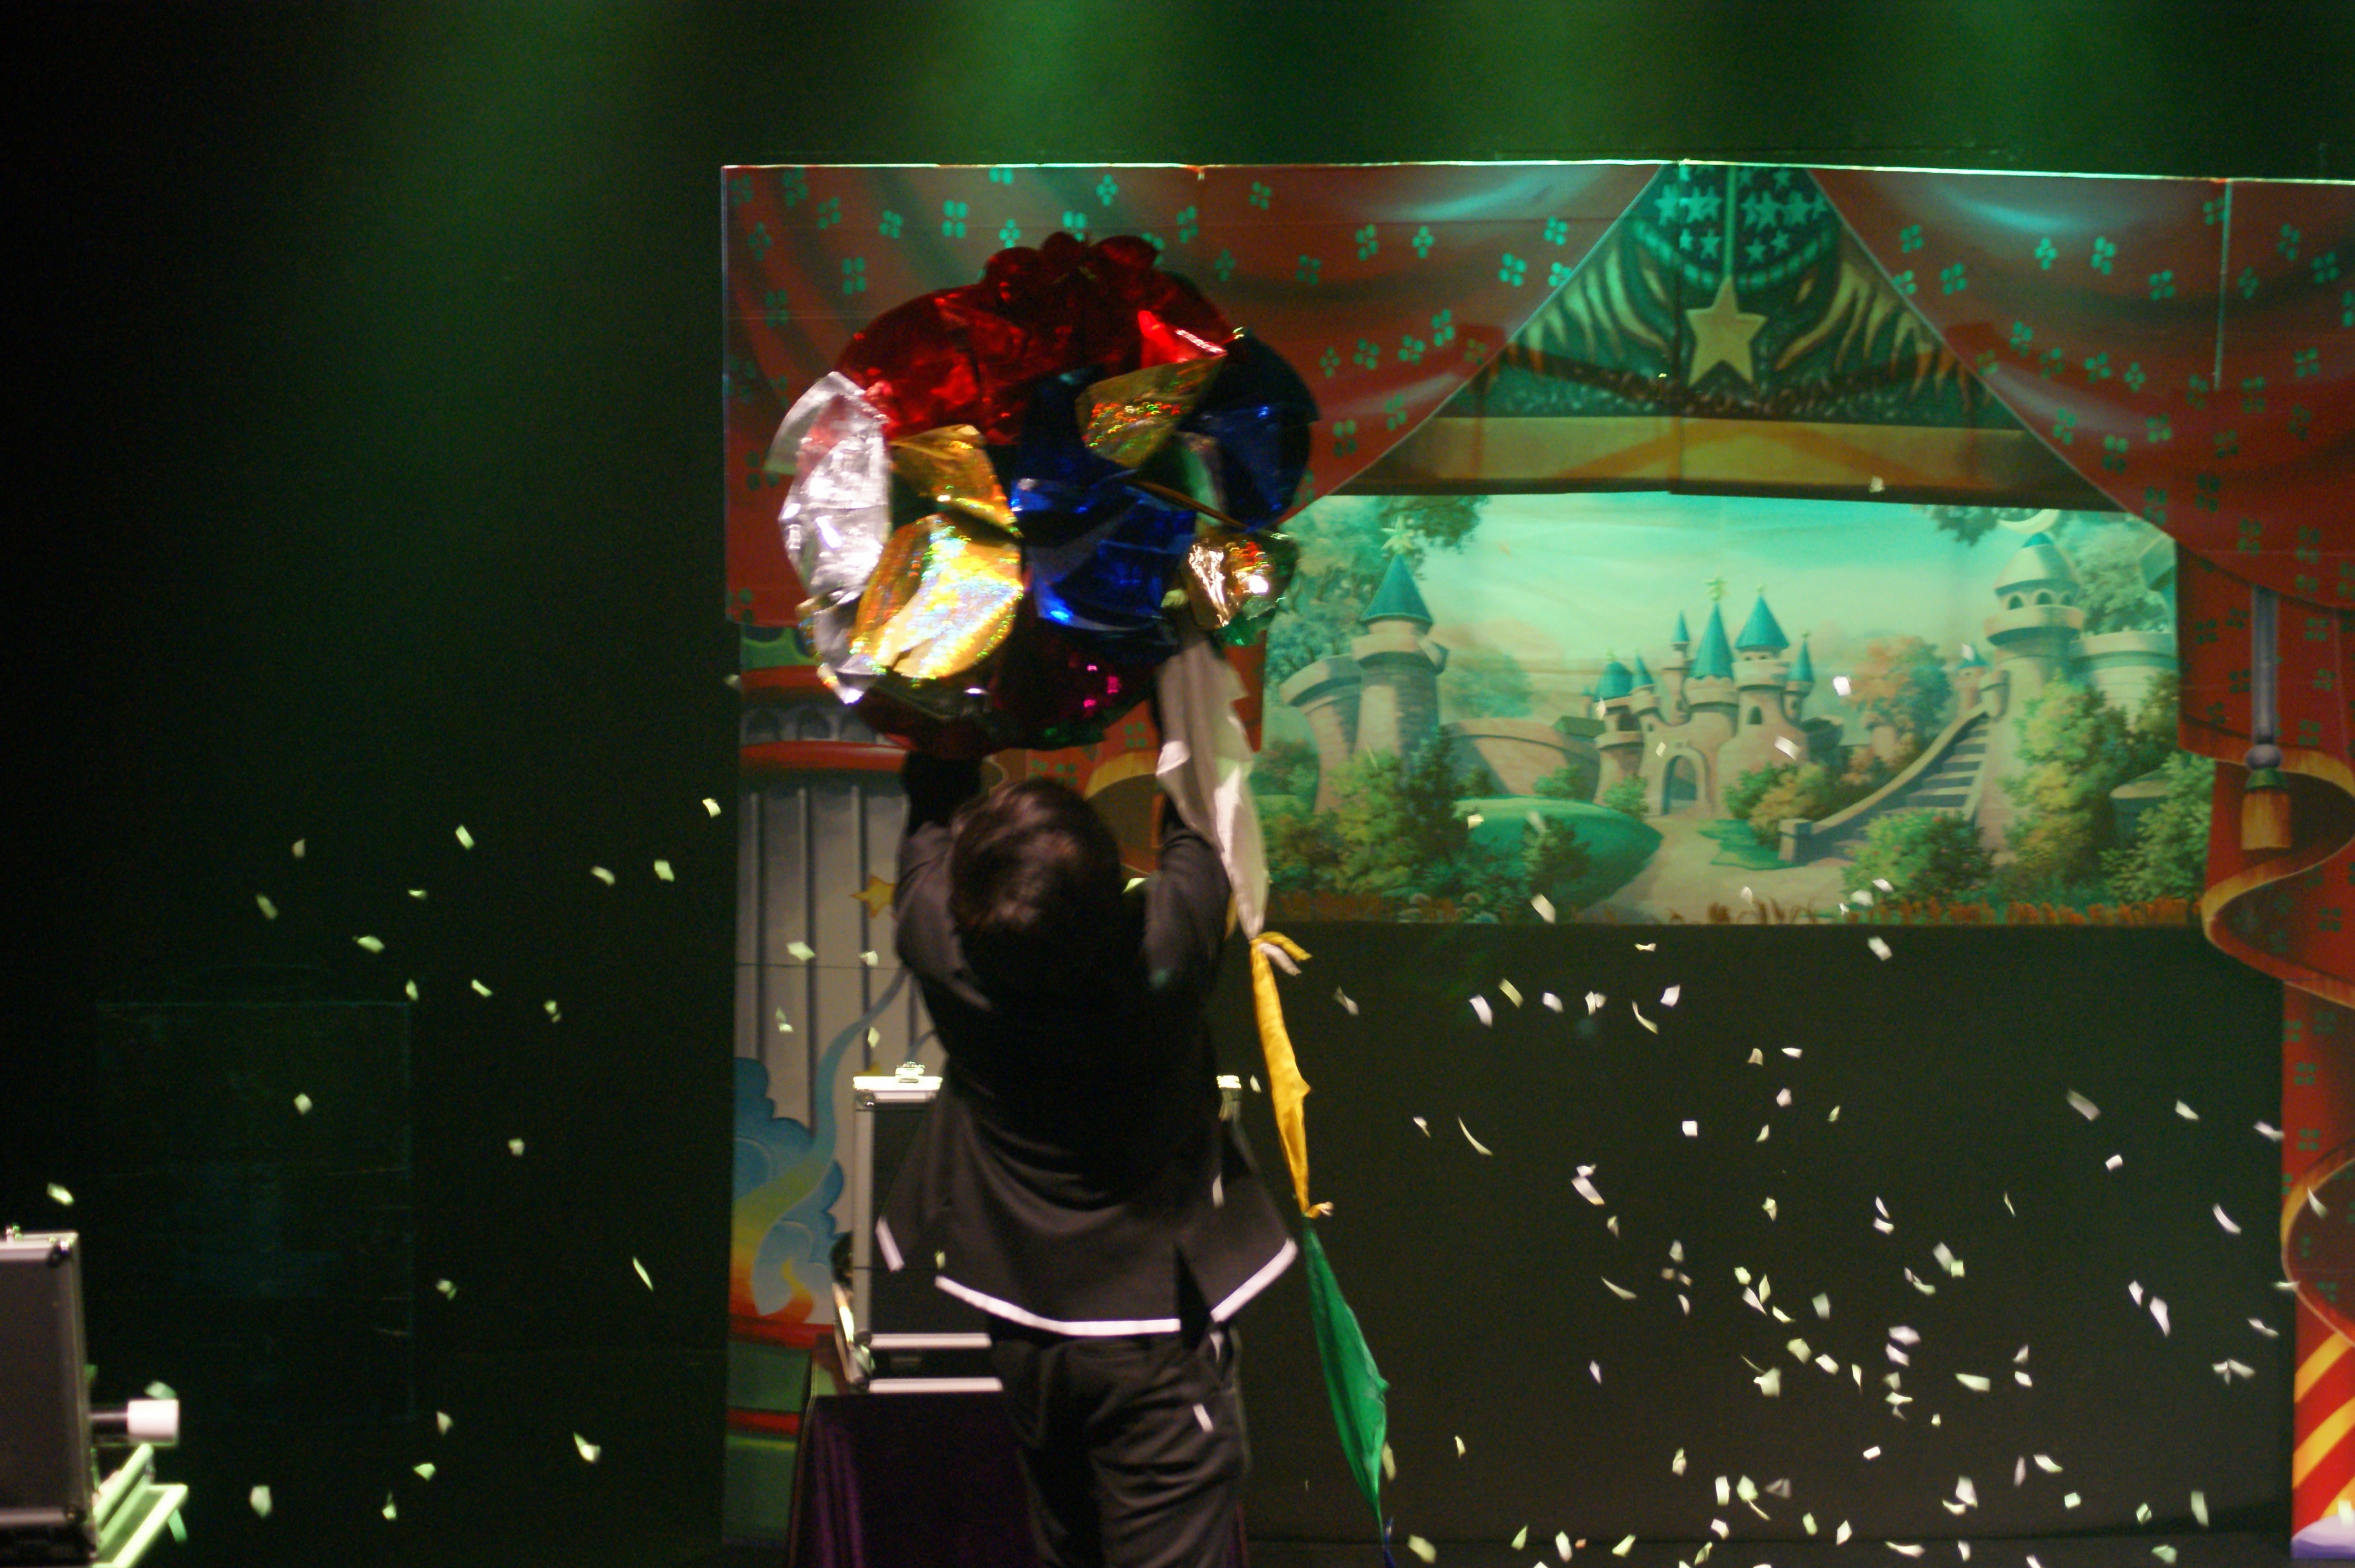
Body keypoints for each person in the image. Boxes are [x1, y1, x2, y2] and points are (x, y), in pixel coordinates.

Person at [879, 746, 1297, 1568]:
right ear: (1115, 892)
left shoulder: (937, 946)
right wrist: (1176, 678)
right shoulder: (1165, 955)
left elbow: (935, 792)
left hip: (1024, 1317)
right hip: (1156, 1344)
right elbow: (1199, 800)